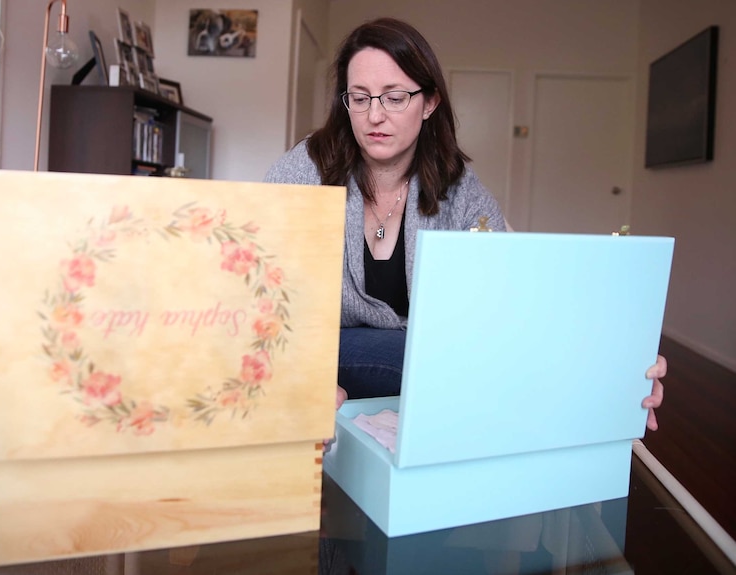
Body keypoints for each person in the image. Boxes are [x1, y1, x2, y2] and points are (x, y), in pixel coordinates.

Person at [264, 17, 666, 430]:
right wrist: (303, 373)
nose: (374, 116)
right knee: (437, 362)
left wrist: (621, 361)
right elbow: (251, 284)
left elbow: (520, 287)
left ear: (430, 102)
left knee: (468, 359)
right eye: (360, 98)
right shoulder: (307, 167)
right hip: (315, 349)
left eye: (395, 97)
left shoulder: (457, 187)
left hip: (425, 359)